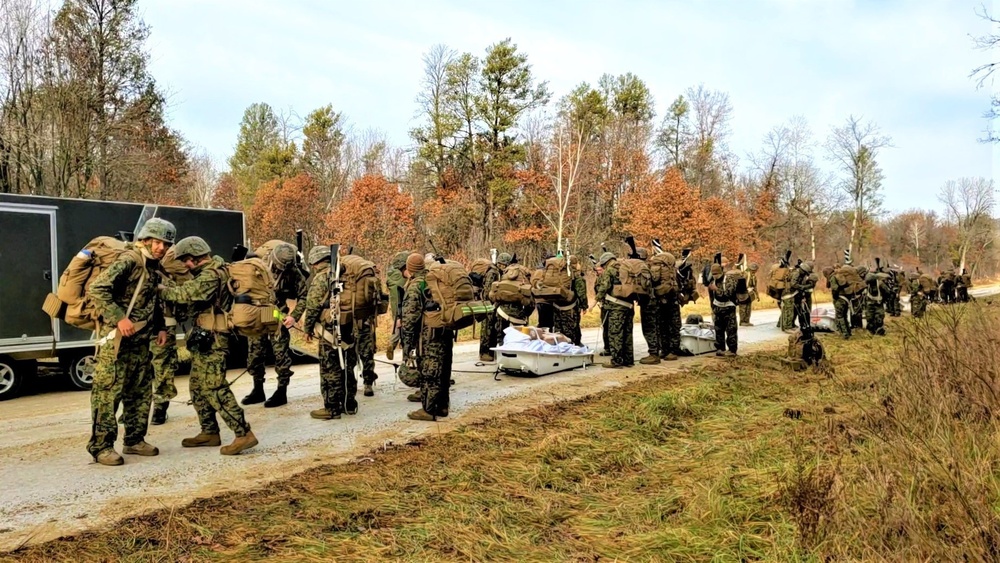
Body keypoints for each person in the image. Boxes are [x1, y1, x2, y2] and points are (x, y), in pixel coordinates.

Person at [86, 218, 175, 466]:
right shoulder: (129, 260)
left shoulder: (153, 265)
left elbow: (151, 300)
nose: (161, 247)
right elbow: (98, 288)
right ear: (146, 239)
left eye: (166, 244)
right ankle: (101, 447)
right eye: (157, 242)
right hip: (115, 341)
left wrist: (160, 327)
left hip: (141, 339)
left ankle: (134, 440)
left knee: (140, 391)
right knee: (108, 393)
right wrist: (118, 318)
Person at [159, 236, 258, 455]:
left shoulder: (211, 275)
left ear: (194, 257)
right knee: (197, 387)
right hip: (204, 338)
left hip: (214, 339)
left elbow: (187, 294)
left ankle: (243, 433)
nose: (185, 265)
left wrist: (161, 289)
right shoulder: (213, 271)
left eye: (186, 260)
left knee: (215, 387)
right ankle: (209, 431)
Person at [243, 241, 307, 408]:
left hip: (278, 315)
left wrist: (294, 316)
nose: (281, 270)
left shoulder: (293, 271)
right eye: (279, 267)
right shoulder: (259, 264)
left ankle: (281, 391)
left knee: (281, 355)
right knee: (254, 354)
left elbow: (304, 297)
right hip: (258, 313)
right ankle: (258, 390)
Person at [301, 245, 359, 420]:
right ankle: (350, 403)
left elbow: (312, 306)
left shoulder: (321, 278)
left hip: (330, 329)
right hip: (350, 326)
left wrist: (308, 328)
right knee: (348, 366)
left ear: (316, 261)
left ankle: (332, 408)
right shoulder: (348, 275)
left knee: (329, 369)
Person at [401, 252, 452, 421]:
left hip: (428, 335)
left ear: (409, 268)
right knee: (443, 370)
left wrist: (407, 344)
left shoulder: (416, 285)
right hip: (445, 329)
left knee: (429, 371)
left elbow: (410, 318)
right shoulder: (434, 279)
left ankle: (429, 410)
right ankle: (442, 406)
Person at [150, 245, 192, 425]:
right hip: (142, 323)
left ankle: (160, 407)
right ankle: (140, 408)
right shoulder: (138, 266)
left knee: (162, 366)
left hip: (165, 323)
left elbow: (177, 294)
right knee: (143, 367)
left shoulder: (163, 274)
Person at [594, 252, 634, 368]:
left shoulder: (610, 270)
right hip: (629, 306)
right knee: (627, 333)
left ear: (605, 262)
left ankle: (616, 360)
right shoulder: (625, 267)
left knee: (615, 333)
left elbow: (604, 287)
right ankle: (628, 360)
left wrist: (595, 300)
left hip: (616, 307)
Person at [708, 261, 739, 357]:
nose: (715, 276)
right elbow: (712, 297)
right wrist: (713, 307)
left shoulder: (728, 279)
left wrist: (716, 289)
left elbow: (727, 295)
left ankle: (732, 350)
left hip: (728, 308)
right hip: (718, 308)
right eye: (713, 274)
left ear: (721, 272)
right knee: (718, 330)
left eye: (716, 274)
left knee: (731, 330)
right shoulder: (712, 281)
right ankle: (720, 348)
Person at [385, 250, 410, 360]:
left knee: (398, 324)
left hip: (395, 305)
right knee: (407, 330)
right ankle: (406, 356)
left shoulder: (390, 274)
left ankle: (392, 342)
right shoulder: (406, 274)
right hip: (407, 304)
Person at [738, 263, 759, 327]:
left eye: (755, 270)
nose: (754, 271)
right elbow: (741, 284)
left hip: (750, 293)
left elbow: (754, 286)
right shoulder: (745, 274)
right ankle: (742, 321)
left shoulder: (753, 276)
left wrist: (757, 295)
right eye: (753, 270)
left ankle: (747, 321)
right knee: (743, 307)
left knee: (748, 308)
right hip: (743, 293)